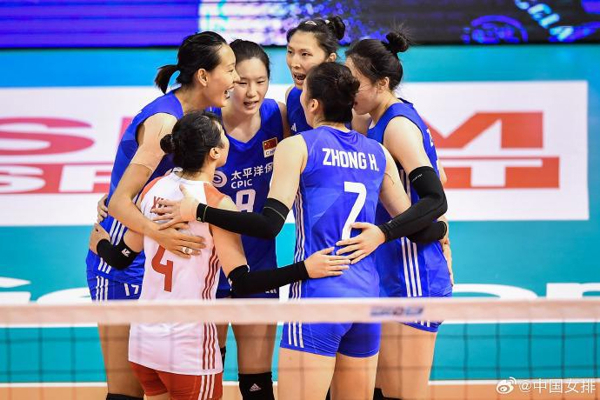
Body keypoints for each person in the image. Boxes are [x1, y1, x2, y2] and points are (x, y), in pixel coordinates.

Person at [153, 63, 447, 400]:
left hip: (317, 297)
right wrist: (435, 229)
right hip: (367, 298)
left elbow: (268, 225)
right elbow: (417, 226)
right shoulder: (377, 152)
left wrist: (201, 210)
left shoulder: (298, 147)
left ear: (312, 105)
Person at [89, 110, 349, 400]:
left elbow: (122, 256)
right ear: (215, 153)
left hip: (144, 344)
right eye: (223, 137)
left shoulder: (153, 188)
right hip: (188, 347)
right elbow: (244, 283)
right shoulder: (218, 203)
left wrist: (100, 246)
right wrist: (305, 269)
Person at [86, 31, 238, 400]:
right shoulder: (163, 123)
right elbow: (121, 200)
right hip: (122, 262)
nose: (235, 80)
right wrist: (162, 235)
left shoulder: (203, 116)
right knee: (127, 391)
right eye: (230, 70)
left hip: (153, 261)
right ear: (203, 76)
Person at [344, 30, 453, 400]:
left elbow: (435, 199)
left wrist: (385, 232)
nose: (348, 91)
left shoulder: (397, 126)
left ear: (382, 82)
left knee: (403, 395)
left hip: (414, 276)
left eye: (354, 83)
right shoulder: (374, 120)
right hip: (387, 273)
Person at [209, 39, 290, 399]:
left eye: (260, 81)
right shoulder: (204, 125)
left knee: (257, 386)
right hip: (209, 269)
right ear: (227, 80)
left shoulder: (280, 116)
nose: (252, 91)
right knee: (205, 381)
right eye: (242, 81)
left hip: (258, 265)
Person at [285, 16, 345, 134]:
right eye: (290, 52)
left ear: (329, 59)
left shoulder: (351, 105)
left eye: (305, 54)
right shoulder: (291, 95)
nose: (294, 63)